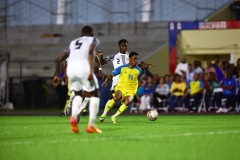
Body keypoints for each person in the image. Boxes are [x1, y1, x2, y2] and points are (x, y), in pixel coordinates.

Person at [52, 25, 102, 133]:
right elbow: (90, 52)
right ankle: (91, 125)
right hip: (83, 67)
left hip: (71, 69)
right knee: (95, 95)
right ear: (92, 34)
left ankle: (74, 118)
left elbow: (58, 59)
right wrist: (90, 71)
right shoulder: (93, 39)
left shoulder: (73, 42)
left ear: (81, 34)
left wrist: (56, 75)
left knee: (78, 94)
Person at [99, 52, 142, 123]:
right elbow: (111, 75)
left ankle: (114, 116)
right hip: (121, 88)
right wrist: (106, 82)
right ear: (130, 59)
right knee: (116, 97)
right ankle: (104, 114)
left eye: (137, 59)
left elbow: (138, 82)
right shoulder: (122, 67)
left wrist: (135, 94)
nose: (136, 60)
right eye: (135, 59)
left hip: (131, 91)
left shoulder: (139, 70)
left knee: (127, 101)